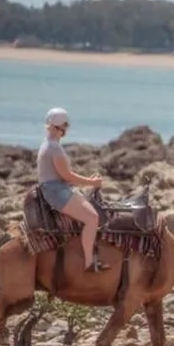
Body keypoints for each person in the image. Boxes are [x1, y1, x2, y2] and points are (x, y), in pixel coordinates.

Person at [37, 107, 109, 272]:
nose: (67, 130)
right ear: (61, 126)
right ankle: (89, 263)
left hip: (55, 189)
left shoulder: (47, 144)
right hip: (57, 192)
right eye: (66, 126)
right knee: (92, 218)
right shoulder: (55, 148)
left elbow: (62, 176)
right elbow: (67, 176)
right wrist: (92, 182)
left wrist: (87, 181)